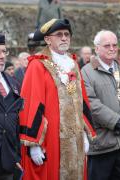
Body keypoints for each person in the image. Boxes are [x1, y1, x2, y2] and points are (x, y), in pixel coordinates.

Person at [19, 18, 95, 180]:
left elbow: (81, 101)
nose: (64, 38)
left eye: (67, 34)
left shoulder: (73, 63)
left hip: (75, 139)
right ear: (47, 39)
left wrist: (83, 133)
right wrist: (34, 144)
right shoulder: (38, 64)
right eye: (59, 34)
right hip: (51, 141)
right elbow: (32, 105)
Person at [81, 30, 120, 180]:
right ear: (97, 48)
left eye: (115, 45)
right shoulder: (87, 72)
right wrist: (116, 121)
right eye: (107, 45)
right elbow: (90, 103)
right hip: (101, 144)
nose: (112, 48)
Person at [0, 33, 23, 180]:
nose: (1, 56)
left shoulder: (12, 82)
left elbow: (16, 119)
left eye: (3, 51)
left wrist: (16, 155)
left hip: (8, 159)